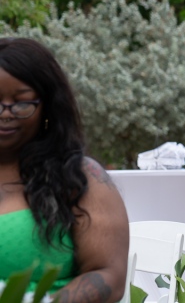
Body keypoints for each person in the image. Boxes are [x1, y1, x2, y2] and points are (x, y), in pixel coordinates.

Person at [0, 38, 129, 301]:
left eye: (22, 103)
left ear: (47, 106)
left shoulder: (80, 177)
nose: (5, 114)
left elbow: (109, 275)